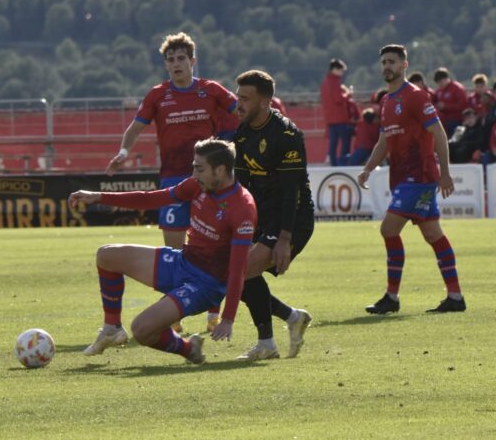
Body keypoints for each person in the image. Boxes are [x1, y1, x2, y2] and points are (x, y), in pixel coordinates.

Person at [71, 139, 256, 364]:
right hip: (182, 262)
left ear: (220, 170)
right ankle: (112, 328)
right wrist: (99, 196)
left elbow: (237, 270)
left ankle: (187, 349)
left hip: (205, 285)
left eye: (199, 169)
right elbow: (151, 198)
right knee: (106, 255)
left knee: (141, 329)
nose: (194, 174)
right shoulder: (197, 185)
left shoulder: (243, 208)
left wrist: (227, 319)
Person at [107, 33, 237, 255]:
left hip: (210, 177)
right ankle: (179, 278)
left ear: (192, 61)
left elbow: (243, 113)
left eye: (181, 58)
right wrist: (123, 152)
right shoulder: (157, 95)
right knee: (173, 247)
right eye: (171, 59)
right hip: (173, 177)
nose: (176, 63)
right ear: (166, 65)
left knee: (216, 243)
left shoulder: (212, 89)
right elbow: (135, 128)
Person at [361, 44, 466, 316]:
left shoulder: (416, 97)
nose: (387, 66)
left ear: (404, 65)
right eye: (384, 62)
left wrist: (445, 172)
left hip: (418, 177)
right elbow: (384, 142)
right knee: (433, 233)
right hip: (402, 178)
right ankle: (455, 296)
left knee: (388, 229)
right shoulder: (387, 101)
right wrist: (368, 169)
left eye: (392, 61)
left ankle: (391, 297)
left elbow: (439, 133)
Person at [232, 70, 314, 360]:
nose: (239, 104)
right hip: (261, 216)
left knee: (241, 273)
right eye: (238, 97)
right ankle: (292, 318)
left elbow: (292, 193)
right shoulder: (243, 133)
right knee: (235, 275)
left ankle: (267, 342)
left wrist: (284, 239)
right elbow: (241, 187)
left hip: (291, 219)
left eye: (245, 98)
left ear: (265, 101)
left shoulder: (286, 135)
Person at [320, 58, 351, 166]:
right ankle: (343, 163)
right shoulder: (335, 82)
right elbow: (339, 99)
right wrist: (348, 94)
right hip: (340, 117)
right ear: (335, 69)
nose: (342, 73)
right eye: (341, 70)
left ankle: (333, 164)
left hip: (330, 118)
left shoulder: (325, 82)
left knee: (333, 143)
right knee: (345, 142)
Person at [431, 67, 468, 136]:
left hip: (456, 121)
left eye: (440, 82)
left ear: (446, 79)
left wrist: (446, 106)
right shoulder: (439, 91)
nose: (439, 84)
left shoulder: (457, 88)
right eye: (438, 83)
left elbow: (463, 105)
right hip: (443, 122)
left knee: (454, 141)